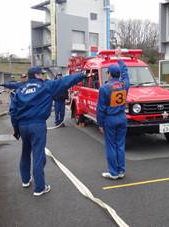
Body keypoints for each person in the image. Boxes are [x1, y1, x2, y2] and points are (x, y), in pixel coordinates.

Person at [11, 66, 89, 196]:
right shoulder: (46, 86)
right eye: (41, 74)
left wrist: (16, 129)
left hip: (22, 126)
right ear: (36, 75)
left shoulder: (20, 90)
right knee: (38, 154)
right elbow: (65, 81)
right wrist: (82, 75)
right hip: (37, 125)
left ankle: (25, 180)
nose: (43, 76)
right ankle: (40, 187)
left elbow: (13, 111)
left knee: (25, 151)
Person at [96, 49, 130, 180]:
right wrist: (120, 58)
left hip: (110, 119)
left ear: (109, 74)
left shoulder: (104, 88)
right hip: (122, 117)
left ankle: (113, 172)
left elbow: (101, 109)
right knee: (120, 145)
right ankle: (121, 170)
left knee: (111, 145)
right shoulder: (124, 85)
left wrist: (100, 123)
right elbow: (126, 74)